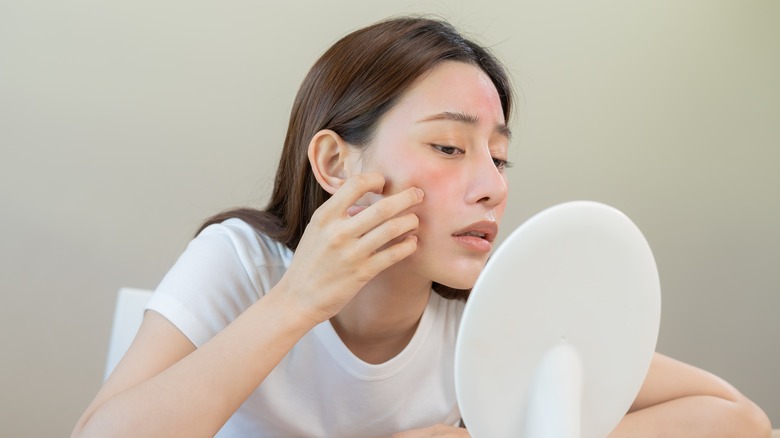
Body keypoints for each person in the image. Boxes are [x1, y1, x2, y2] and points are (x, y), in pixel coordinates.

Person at [72, 16, 771, 437]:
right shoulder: (242, 264)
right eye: (448, 146)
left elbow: (739, 421)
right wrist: (296, 303)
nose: (493, 185)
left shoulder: (488, 318)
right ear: (335, 162)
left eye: (500, 156)